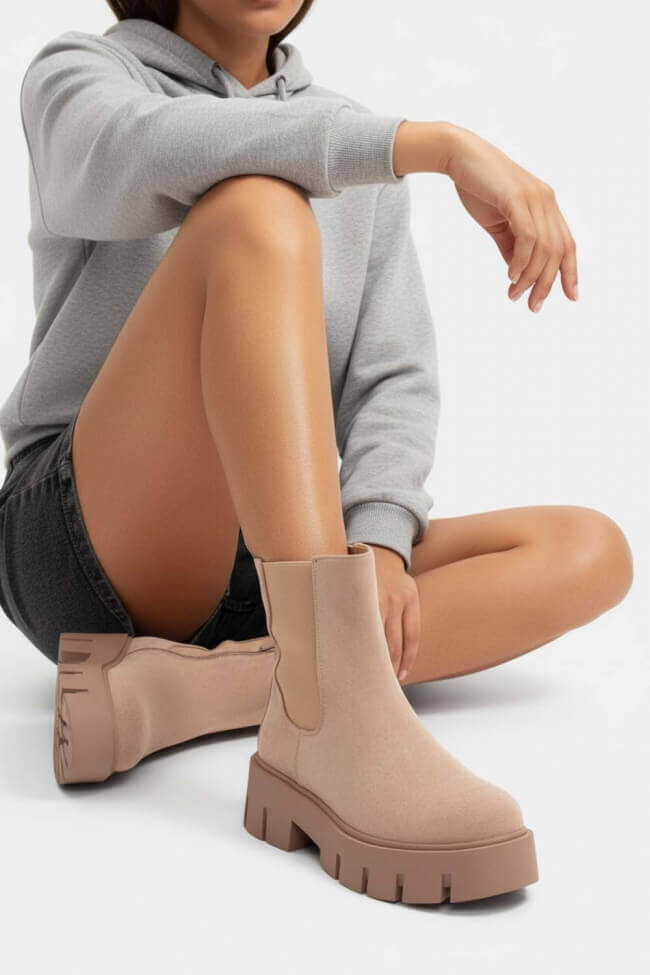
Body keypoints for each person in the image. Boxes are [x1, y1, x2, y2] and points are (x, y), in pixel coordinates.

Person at [0, 1, 633, 902]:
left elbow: (393, 377)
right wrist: (430, 144)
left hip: (274, 566)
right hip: (87, 537)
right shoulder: (78, 78)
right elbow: (148, 151)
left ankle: (208, 692)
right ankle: (334, 708)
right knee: (257, 208)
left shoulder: (352, 141)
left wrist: (377, 542)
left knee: (588, 549)